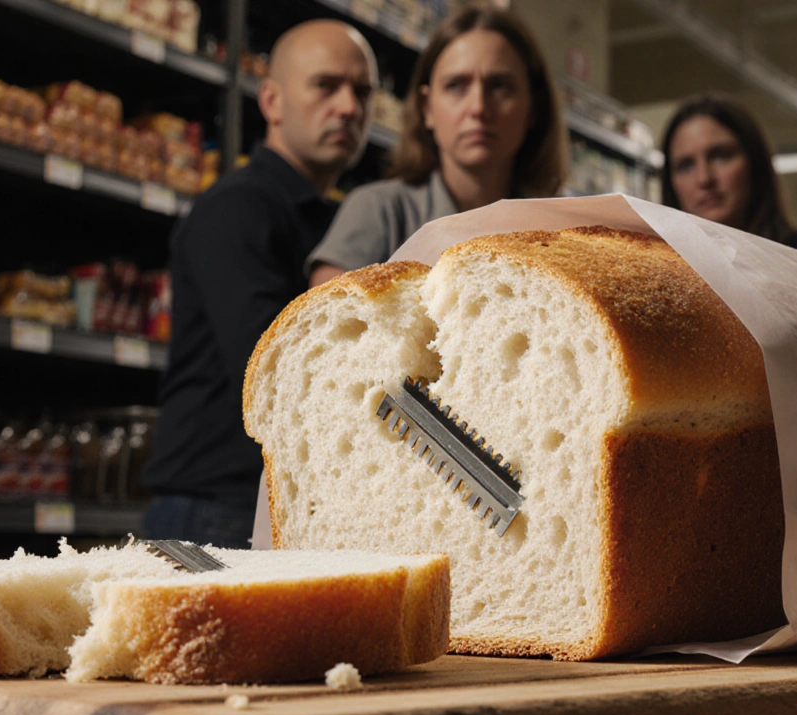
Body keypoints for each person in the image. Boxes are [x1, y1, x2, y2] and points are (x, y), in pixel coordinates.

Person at [141, 20, 378, 547]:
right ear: (271, 101)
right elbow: (272, 367)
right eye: (325, 85)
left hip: (262, 502)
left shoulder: (331, 218)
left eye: (362, 92)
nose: (347, 107)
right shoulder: (238, 209)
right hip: (215, 511)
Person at [306, 6, 567, 287]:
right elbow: (330, 320)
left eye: (500, 86)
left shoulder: (559, 231)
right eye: (456, 85)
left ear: (533, 108)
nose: (478, 107)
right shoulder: (378, 209)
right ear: (426, 107)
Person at [660, 94, 797, 262]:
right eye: (685, 165)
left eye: (720, 155)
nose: (704, 178)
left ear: (754, 162)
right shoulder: (662, 268)